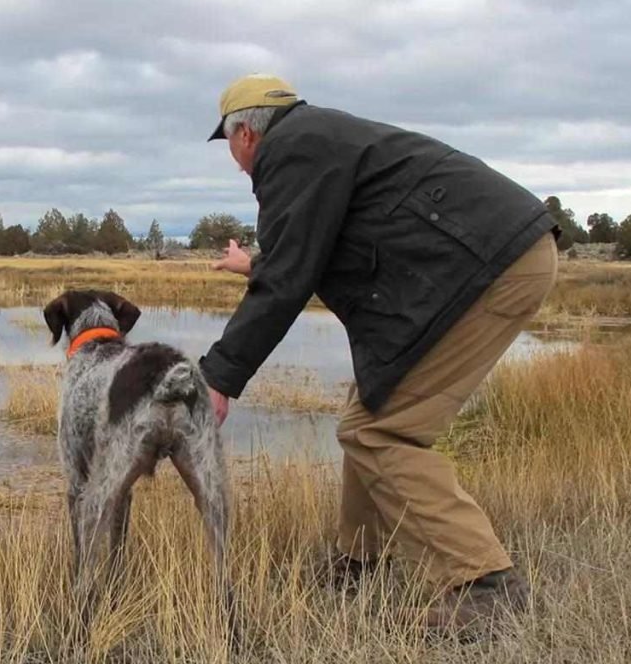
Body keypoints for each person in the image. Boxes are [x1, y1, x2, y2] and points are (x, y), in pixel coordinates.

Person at [197, 74, 558, 630]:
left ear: (245, 132)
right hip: (486, 261)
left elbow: (289, 280)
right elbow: (310, 250)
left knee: (383, 431)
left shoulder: (292, 149)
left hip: (481, 270)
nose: (236, 161)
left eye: (230, 145)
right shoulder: (320, 139)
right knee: (371, 407)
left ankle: (482, 585)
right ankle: (357, 562)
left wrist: (219, 378)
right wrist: (259, 263)